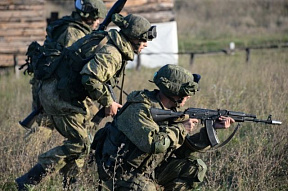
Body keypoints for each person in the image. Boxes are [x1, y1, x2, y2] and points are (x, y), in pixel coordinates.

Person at [15, 13, 156, 190]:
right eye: (143, 39)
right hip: (59, 97)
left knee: (84, 142)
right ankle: (28, 180)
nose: (146, 44)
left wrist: (107, 101)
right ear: (133, 37)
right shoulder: (112, 53)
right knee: (80, 144)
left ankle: (71, 185)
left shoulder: (111, 43)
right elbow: (90, 77)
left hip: (62, 92)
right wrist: (108, 102)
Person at [93, 64, 235, 190]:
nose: (189, 97)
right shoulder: (139, 108)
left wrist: (211, 130)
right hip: (119, 175)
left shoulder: (170, 111)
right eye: (187, 93)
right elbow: (154, 144)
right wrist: (181, 128)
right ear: (174, 91)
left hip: (148, 170)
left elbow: (181, 151)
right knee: (145, 188)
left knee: (194, 168)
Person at [27, 0, 107, 140]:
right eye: (95, 18)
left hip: (57, 83)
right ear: (86, 16)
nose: (97, 22)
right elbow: (72, 64)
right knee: (45, 125)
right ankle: (25, 153)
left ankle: (86, 152)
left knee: (92, 117)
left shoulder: (74, 27)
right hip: (53, 86)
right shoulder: (72, 32)